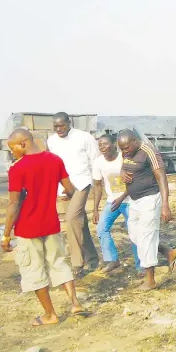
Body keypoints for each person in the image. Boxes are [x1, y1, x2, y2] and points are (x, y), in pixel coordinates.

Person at [2, 129, 89, 326]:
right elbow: (69, 189)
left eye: (12, 147)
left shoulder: (17, 169)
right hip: (51, 225)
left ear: (23, 144)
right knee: (59, 263)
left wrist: (6, 235)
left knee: (34, 270)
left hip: (27, 229)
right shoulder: (54, 160)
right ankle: (75, 303)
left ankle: (50, 315)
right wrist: (65, 195)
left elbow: (14, 204)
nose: (12, 151)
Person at [113, 129, 176, 290]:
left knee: (146, 237)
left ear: (135, 141)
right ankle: (168, 252)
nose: (124, 151)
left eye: (127, 148)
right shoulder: (126, 152)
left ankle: (150, 280)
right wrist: (122, 173)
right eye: (121, 149)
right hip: (134, 201)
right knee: (135, 236)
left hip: (150, 199)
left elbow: (162, 178)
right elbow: (124, 165)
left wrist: (165, 205)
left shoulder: (149, 152)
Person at [47, 112, 100, 276]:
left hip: (82, 184)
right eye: (55, 126)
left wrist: (97, 184)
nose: (58, 129)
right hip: (63, 186)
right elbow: (54, 165)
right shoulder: (52, 140)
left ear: (69, 123)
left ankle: (77, 263)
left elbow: (95, 161)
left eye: (61, 125)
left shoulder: (85, 137)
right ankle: (92, 258)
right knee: (79, 222)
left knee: (71, 220)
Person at [92, 134, 138, 273]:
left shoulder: (124, 158)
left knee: (135, 232)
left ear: (114, 144)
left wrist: (122, 197)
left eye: (105, 144)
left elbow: (134, 181)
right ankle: (112, 260)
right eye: (100, 145)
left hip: (130, 201)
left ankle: (141, 265)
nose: (102, 147)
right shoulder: (98, 162)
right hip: (112, 202)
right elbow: (98, 186)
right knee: (101, 228)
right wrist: (95, 209)